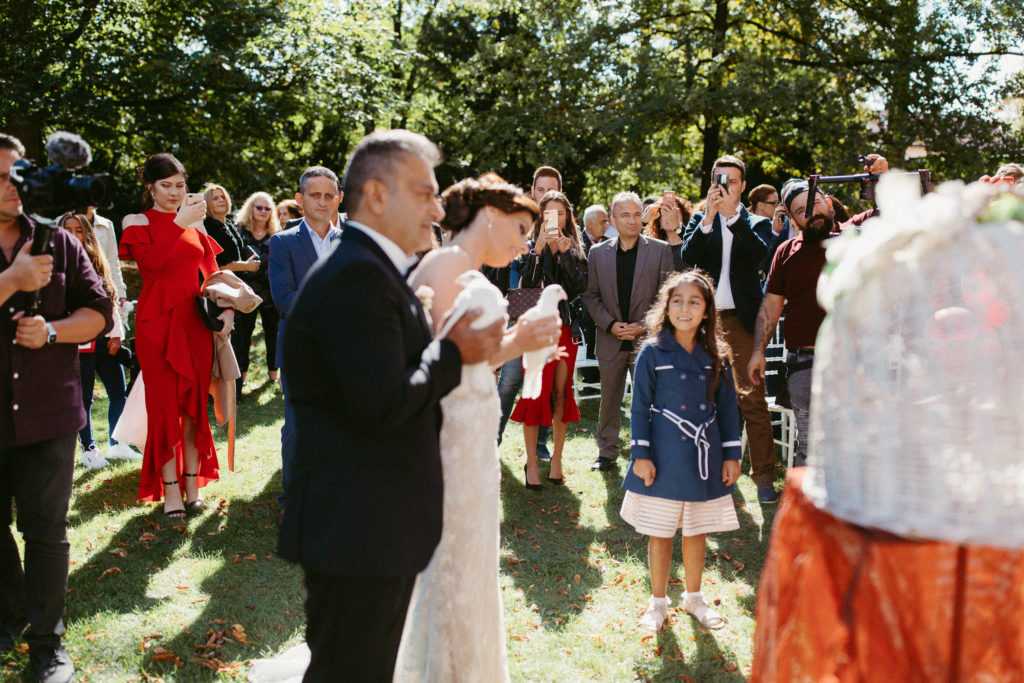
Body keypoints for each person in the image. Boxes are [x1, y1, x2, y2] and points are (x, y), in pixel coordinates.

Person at [277, 130, 507, 682]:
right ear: (377, 196)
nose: (437, 207)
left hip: (373, 519)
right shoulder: (357, 276)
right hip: (356, 524)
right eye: (425, 193)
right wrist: (454, 352)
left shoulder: (373, 267)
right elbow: (382, 404)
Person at [396, 173, 559, 681]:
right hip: (449, 432)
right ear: (490, 215)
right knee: (450, 557)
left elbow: (470, 357)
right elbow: (445, 359)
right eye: (519, 229)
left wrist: (520, 339)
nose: (523, 243)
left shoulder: (467, 269)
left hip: (472, 431)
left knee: (470, 555)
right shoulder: (445, 266)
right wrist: (519, 339)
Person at [0, 132, 113, 683]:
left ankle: (47, 646)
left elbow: (99, 313)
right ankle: (12, 617)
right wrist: (11, 282)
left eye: (16, 176)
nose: (11, 188)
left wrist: (50, 331)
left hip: (49, 412)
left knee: (47, 531)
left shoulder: (59, 240)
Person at [621, 270, 741, 633]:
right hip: (662, 456)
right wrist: (641, 455)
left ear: (707, 312)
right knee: (661, 530)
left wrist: (732, 455)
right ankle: (657, 603)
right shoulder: (652, 352)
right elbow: (639, 406)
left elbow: (729, 408)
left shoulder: (715, 355)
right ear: (666, 306)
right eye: (678, 301)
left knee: (696, 529)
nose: (685, 308)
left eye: (694, 302)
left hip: (704, 459)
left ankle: (694, 597)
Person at [119, 153, 232, 517]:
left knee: (193, 408)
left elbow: (212, 273)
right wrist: (178, 223)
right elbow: (151, 266)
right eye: (165, 185)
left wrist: (227, 307)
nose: (173, 192)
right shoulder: (136, 221)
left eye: (179, 185)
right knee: (164, 408)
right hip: (156, 325)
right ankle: (169, 493)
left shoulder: (196, 222)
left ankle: (191, 485)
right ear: (150, 187)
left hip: (193, 324)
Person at [681, 154, 777, 502]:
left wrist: (732, 218)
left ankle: (764, 477)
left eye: (732, 181)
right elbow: (688, 257)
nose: (725, 186)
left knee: (752, 401)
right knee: (703, 400)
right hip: (705, 325)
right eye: (719, 180)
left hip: (741, 322)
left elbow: (758, 255)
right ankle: (710, 471)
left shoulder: (755, 222)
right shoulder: (699, 219)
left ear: (743, 186)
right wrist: (708, 217)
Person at [747, 181, 838, 467]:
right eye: (802, 211)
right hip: (804, 363)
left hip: (853, 360)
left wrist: (879, 176)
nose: (812, 213)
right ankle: (803, 509)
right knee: (809, 444)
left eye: (816, 204)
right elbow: (772, 305)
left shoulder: (855, 240)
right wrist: (758, 351)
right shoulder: (786, 252)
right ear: (793, 219)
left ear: (830, 204)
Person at [582, 191, 673, 471]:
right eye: (625, 215)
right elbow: (590, 296)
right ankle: (607, 453)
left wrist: (642, 326)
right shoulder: (597, 253)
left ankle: (646, 452)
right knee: (608, 399)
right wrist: (611, 325)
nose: (632, 221)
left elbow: (666, 297)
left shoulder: (660, 250)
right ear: (612, 220)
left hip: (646, 340)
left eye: (637, 214)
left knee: (648, 398)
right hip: (611, 339)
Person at [268, 166, 341, 510]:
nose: (322, 201)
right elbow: (285, 297)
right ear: (300, 199)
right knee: (299, 427)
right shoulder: (283, 242)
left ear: (338, 199)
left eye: (329, 195)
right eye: (315, 195)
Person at [510, 191, 587, 488]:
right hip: (536, 332)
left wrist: (564, 254)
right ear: (540, 218)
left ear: (567, 216)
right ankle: (531, 461)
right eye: (548, 214)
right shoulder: (528, 248)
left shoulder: (576, 248)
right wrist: (539, 249)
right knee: (534, 394)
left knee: (560, 394)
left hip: (565, 330)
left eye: (560, 213)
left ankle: (556, 458)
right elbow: (525, 289)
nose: (555, 219)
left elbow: (580, 287)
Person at [56, 213, 127, 469]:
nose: (74, 235)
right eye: (68, 230)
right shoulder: (55, 262)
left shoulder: (97, 260)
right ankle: (88, 449)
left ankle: (118, 442)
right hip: (80, 341)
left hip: (106, 337)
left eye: (79, 230)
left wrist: (117, 332)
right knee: (84, 397)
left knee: (118, 391)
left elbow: (111, 296)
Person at [234, 192, 281, 386]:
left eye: (267, 208)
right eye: (259, 207)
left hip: (270, 293)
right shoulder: (239, 231)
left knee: (273, 334)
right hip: (246, 292)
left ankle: (273, 373)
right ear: (250, 209)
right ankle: (242, 375)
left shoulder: (276, 234)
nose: (263, 211)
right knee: (244, 335)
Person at [643, 192, 693, 272]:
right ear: (658, 220)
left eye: (672, 212)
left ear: (684, 217)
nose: (669, 216)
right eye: (665, 211)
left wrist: (678, 228)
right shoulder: (652, 245)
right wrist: (644, 220)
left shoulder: (691, 243)